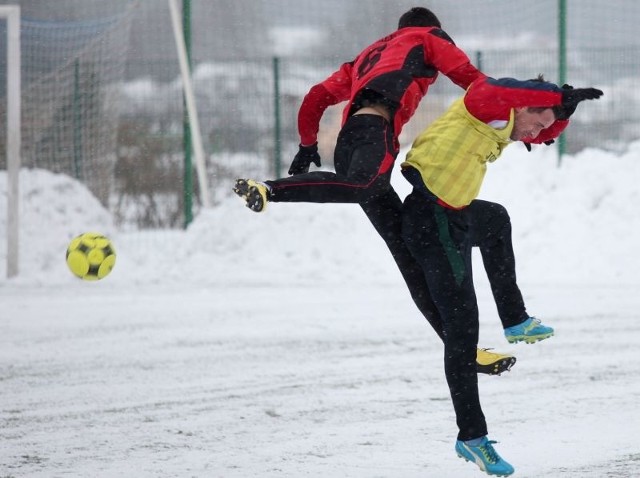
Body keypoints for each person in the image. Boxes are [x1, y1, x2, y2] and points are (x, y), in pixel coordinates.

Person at [234, 7, 516, 374]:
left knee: (409, 251)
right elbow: (473, 80)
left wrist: (307, 144)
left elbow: (316, 96)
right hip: (373, 136)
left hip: (352, 142)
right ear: (431, 28)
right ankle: (270, 189)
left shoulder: (366, 56)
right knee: (365, 186)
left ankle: (466, 349)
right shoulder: (427, 37)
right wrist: (517, 103)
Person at [400, 75, 603, 475]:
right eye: (539, 123)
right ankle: (472, 438)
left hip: (451, 216)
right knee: (463, 331)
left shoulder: (505, 126)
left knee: (494, 219)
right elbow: (501, 87)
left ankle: (515, 320)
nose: (537, 136)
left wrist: (561, 112)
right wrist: (557, 95)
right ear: (527, 105)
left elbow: (542, 133)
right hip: (431, 221)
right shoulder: (486, 105)